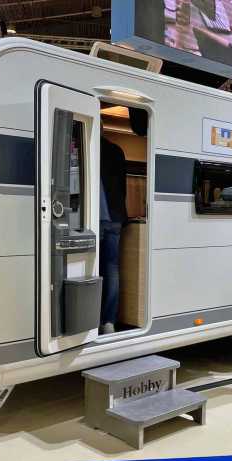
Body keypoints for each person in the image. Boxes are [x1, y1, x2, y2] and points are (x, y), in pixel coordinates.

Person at [99, 135, 127, 335]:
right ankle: (108, 321)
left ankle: (91, 319)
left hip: (94, 216)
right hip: (115, 216)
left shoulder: (83, 143)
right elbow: (123, 187)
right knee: (111, 268)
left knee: (94, 267)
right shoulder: (116, 150)